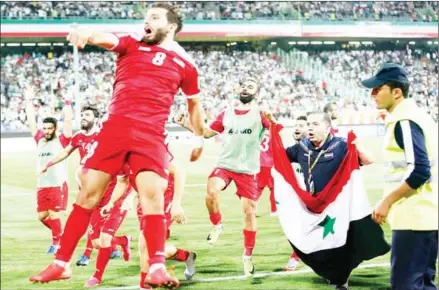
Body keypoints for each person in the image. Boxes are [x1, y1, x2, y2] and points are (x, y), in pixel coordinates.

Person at [30, 3, 205, 289]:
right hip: (115, 130)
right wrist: (87, 33)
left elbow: (194, 105)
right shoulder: (131, 43)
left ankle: (157, 267)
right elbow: (106, 38)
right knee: (88, 193)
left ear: (171, 26)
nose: (147, 21)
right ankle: (61, 264)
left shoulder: (186, 65)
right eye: (146, 16)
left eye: (155, 17)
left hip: (151, 135)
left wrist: (198, 139)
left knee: (153, 195)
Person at [175, 78, 270, 276]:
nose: (246, 88)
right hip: (225, 165)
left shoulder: (260, 115)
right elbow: (208, 133)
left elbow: (275, 130)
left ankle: (247, 255)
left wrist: (273, 120)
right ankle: (217, 224)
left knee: (249, 213)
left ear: (257, 94)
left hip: (248, 170)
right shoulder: (226, 112)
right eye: (244, 85)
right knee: (211, 192)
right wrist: (186, 123)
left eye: (251, 86)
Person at [275, 112, 380, 289]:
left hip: (337, 205)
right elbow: (279, 157)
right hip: (313, 206)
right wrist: (273, 132)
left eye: (315, 124)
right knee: (310, 242)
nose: (310, 128)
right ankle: (333, 274)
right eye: (308, 124)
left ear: (327, 127)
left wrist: (358, 147)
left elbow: (369, 160)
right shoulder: (302, 147)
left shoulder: (340, 145)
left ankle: (341, 281)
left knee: (340, 244)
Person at [361, 63, 438, 290]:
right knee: (422, 283)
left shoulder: (405, 120)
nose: (372, 93)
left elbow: (420, 170)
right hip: (426, 214)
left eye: (377, 88)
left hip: (414, 215)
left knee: (406, 285)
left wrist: (386, 202)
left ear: (397, 92)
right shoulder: (416, 116)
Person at [38, 106, 121, 264]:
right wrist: (48, 164)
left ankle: (87, 255)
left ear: (96, 119)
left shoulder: (103, 136)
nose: (83, 117)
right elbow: (65, 152)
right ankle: (116, 246)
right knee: (91, 219)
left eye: (87, 115)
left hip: (103, 183)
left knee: (93, 219)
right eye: (82, 115)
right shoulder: (78, 137)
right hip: (85, 182)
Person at [25, 85, 73, 255]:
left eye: (49, 128)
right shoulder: (39, 139)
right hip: (42, 185)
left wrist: (67, 102)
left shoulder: (62, 140)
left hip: (57, 184)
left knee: (53, 215)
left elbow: (68, 120)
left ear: (55, 129)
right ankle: (60, 235)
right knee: (42, 217)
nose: (46, 131)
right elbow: (31, 120)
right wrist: (29, 100)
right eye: (44, 128)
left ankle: (57, 243)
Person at [135, 158, 197, 290]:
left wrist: (176, 203)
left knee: (145, 242)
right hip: (145, 198)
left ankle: (144, 286)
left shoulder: (149, 149)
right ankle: (187, 256)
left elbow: (178, 171)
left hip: (164, 198)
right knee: (149, 249)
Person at [84, 164, 135, 287]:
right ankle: (123, 240)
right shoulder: (96, 152)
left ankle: (97, 276)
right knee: (96, 243)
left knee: (105, 238)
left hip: (119, 199)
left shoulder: (125, 153)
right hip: (100, 199)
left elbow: (136, 177)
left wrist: (130, 197)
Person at [282, 115, 308, 272]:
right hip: (299, 199)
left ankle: (295, 257)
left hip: (315, 198)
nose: (297, 127)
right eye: (295, 125)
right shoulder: (293, 150)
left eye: (301, 125)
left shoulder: (313, 148)